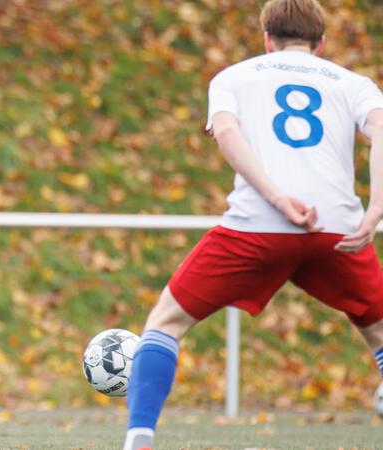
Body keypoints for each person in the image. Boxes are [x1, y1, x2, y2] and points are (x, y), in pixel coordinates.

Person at [122, 1, 383, 448]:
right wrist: (375, 209)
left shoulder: (233, 77)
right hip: (337, 230)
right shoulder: (354, 84)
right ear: (320, 43)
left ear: (267, 39)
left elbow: (226, 133)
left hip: (256, 227)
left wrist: (278, 199)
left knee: (165, 323)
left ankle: (140, 435)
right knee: (377, 327)